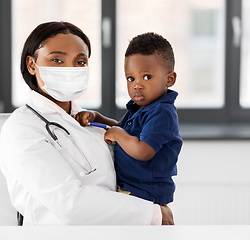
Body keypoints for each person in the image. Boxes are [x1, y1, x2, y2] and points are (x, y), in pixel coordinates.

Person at [0, 21, 173, 226]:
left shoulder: (86, 121)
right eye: (57, 60)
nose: (70, 70)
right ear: (31, 65)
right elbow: (70, 203)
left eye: (80, 62)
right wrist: (154, 215)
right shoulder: (22, 128)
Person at [74, 32, 182, 211]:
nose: (137, 85)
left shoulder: (162, 112)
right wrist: (98, 118)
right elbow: (125, 131)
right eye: (130, 78)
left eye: (147, 77)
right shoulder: (141, 108)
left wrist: (117, 134)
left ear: (169, 79)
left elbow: (142, 150)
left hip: (147, 196)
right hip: (131, 191)